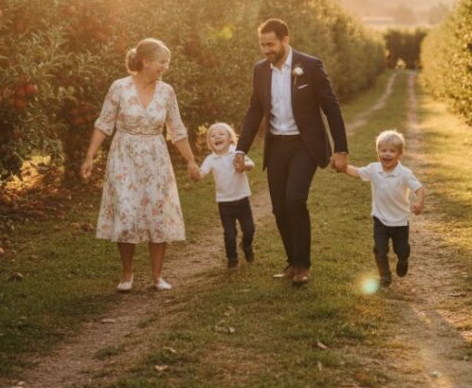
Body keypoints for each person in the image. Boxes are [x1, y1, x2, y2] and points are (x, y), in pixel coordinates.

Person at [234, 18, 348, 286]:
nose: (266, 50)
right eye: (262, 45)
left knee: (295, 200)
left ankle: (303, 265)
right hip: (277, 146)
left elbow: (331, 107)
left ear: (285, 40)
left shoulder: (310, 66)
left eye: (270, 44)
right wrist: (240, 148)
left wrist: (341, 149)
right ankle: (292, 262)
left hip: (304, 145)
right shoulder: (260, 70)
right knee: (279, 208)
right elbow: (254, 111)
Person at [80, 38, 200, 292]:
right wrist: (90, 156)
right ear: (145, 61)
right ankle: (127, 273)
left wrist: (190, 160)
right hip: (124, 156)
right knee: (126, 209)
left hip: (156, 157)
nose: (165, 67)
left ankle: (157, 276)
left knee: (158, 213)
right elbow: (104, 123)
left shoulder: (167, 92)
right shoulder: (120, 88)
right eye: (161, 61)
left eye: (167, 62)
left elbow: (176, 129)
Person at [342, 129, 424, 288]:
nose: (387, 154)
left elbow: (419, 188)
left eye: (392, 151)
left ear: (400, 154)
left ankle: (403, 259)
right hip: (380, 219)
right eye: (383, 150)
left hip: (400, 221)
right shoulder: (373, 169)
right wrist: (343, 167)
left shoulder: (404, 173)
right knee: (379, 250)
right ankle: (384, 276)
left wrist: (419, 203)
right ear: (377, 152)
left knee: (401, 249)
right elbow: (357, 172)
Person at [192, 122, 256, 269]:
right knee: (229, 233)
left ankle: (246, 245)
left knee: (249, 229)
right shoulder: (210, 159)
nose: (217, 137)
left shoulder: (237, 152)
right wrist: (196, 174)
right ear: (210, 142)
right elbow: (202, 173)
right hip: (224, 202)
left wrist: (244, 166)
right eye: (213, 136)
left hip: (242, 199)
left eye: (221, 134)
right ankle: (232, 260)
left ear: (230, 138)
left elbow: (251, 164)